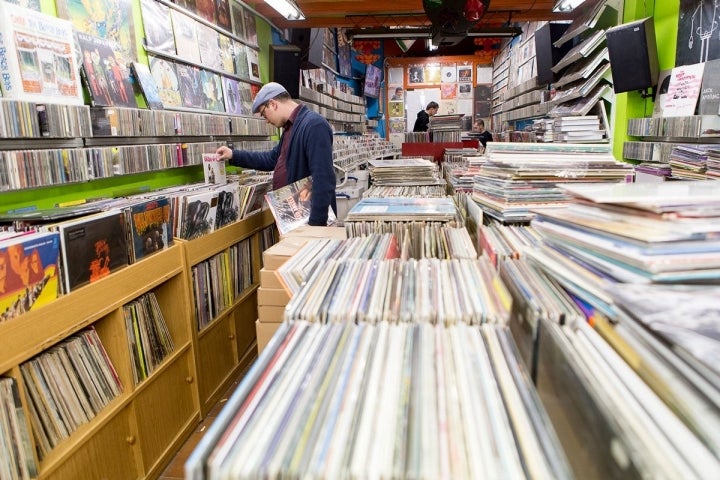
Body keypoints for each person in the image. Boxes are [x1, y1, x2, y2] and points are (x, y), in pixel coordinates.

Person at [216, 82, 336, 226]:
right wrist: (233, 155)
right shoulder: (290, 128)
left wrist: (315, 227)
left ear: (272, 104)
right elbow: (271, 159)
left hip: (309, 223)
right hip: (295, 218)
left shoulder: (314, 125)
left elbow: (323, 179)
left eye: (263, 113)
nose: (266, 121)